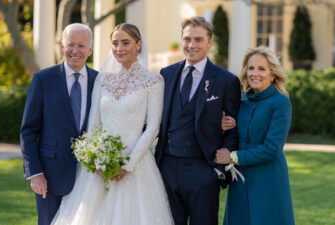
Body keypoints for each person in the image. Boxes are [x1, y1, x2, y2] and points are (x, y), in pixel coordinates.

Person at [51, 23, 174, 225]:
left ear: (138, 45)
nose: (119, 48)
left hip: (135, 165)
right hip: (98, 168)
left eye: (125, 43)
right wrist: (95, 161)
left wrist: (128, 164)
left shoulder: (154, 81)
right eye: (115, 43)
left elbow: (153, 128)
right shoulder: (102, 79)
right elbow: (93, 125)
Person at [154, 16, 241, 225]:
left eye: (198, 40)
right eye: (187, 39)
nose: (191, 45)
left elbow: (234, 129)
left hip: (203, 168)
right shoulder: (166, 74)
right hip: (166, 166)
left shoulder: (226, 80)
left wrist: (218, 169)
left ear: (209, 43)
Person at [20, 23, 97, 225]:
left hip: (90, 177)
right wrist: (35, 173)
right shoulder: (43, 79)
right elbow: (28, 131)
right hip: (50, 176)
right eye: (70, 44)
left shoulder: (101, 82)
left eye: (81, 45)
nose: (75, 50)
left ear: (90, 49)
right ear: (62, 47)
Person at [216, 46, 295, 225]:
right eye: (251, 68)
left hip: (267, 176)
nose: (255, 73)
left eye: (262, 69)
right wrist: (223, 127)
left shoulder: (281, 103)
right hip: (240, 177)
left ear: (273, 74)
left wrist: (233, 156)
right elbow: (233, 134)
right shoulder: (240, 101)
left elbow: (272, 148)